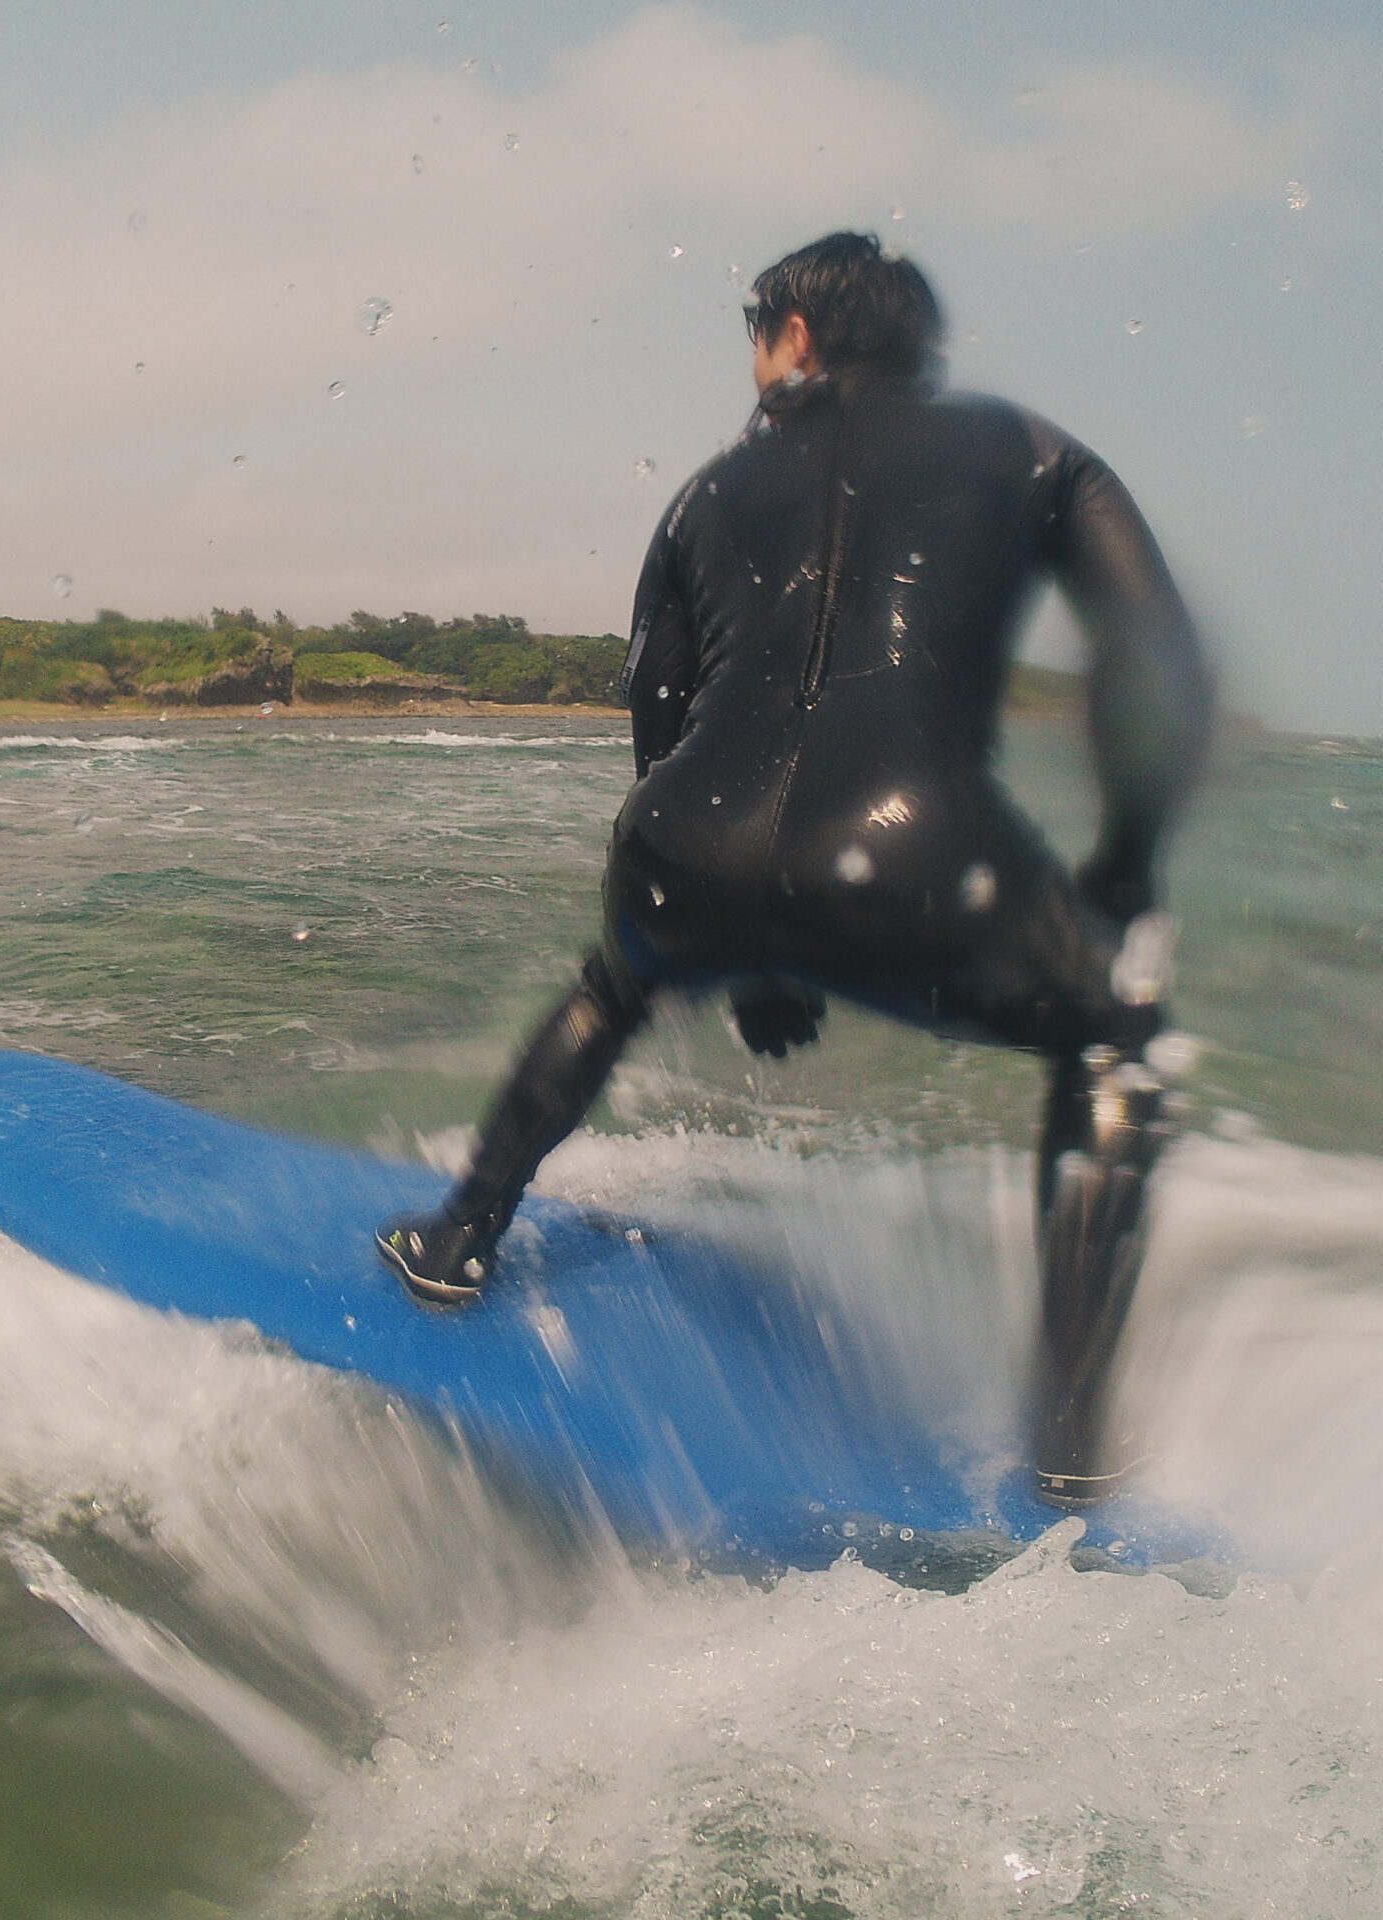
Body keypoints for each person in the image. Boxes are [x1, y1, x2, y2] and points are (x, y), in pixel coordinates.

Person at [378, 231, 1214, 1509]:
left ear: (797, 339)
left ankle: (455, 1240)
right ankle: (1070, 1449)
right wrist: (1124, 869)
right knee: (1111, 1040)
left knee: (613, 987)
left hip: (675, 851)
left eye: (754, 341)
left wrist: (730, 942)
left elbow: (660, 716)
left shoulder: (703, 492)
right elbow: (1158, 662)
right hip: (910, 859)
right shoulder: (1032, 450)